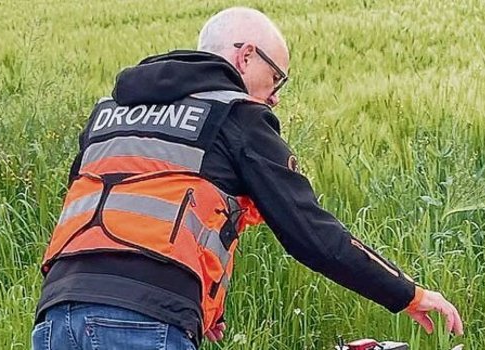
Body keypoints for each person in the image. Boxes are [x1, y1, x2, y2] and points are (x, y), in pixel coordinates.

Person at [32, 7, 463, 350]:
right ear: (245, 56)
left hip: (56, 314)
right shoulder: (235, 114)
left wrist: (201, 305)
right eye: (276, 78)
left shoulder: (109, 113)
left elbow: (118, 212)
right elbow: (311, 233)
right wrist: (410, 294)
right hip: (144, 322)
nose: (275, 96)